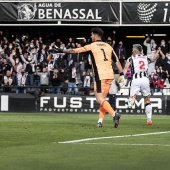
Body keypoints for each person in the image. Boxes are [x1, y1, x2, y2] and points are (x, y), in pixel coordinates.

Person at [56, 27, 125, 128]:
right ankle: (100, 121)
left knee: (99, 99)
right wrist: (122, 74)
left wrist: (61, 50)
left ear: (95, 35)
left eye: (91, 35)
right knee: (103, 100)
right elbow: (117, 61)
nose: (91, 36)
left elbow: (75, 50)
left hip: (100, 75)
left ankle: (115, 114)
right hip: (109, 76)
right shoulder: (108, 46)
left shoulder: (92, 46)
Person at [123, 44, 159, 125]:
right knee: (147, 100)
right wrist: (156, 55)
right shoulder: (146, 57)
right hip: (145, 80)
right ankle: (149, 119)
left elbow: (125, 68)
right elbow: (153, 59)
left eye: (132, 50)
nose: (132, 51)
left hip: (136, 80)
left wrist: (122, 76)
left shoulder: (131, 58)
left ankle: (131, 100)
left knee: (131, 98)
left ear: (135, 51)